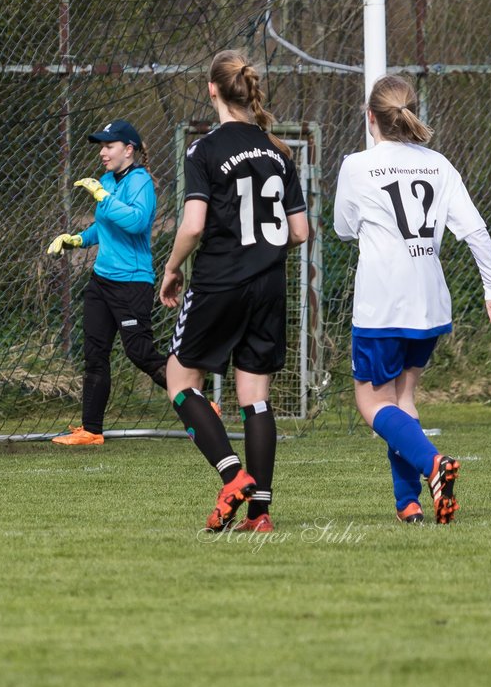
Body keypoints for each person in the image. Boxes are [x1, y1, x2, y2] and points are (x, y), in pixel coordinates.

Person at [334, 74, 491, 524]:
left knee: (372, 404)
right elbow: (474, 229)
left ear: (371, 116)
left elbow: (341, 228)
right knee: (404, 400)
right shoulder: (439, 163)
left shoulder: (357, 166)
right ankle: (408, 504)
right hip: (430, 302)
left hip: (382, 304)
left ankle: (433, 463)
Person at [160, 50, 309, 533]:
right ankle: (260, 515)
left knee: (180, 382)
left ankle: (231, 476)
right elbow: (301, 231)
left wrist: (172, 266)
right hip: (269, 284)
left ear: (212, 90)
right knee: (255, 396)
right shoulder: (278, 150)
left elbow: (194, 223)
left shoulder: (204, 150)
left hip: (221, 280)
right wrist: (262, 248)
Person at [46, 119, 168, 446]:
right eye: (101, 146)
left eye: (108, 146)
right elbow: (105, 228)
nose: (102, 152)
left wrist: (102, 197)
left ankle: (196, 402)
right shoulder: (107, 180)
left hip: (132, 283)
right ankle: (91, 430)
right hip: (102, 281)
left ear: (128, 150)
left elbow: (136, 221)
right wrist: (77, 240)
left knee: (140, 353)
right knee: (95, 354)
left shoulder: (140, 181)